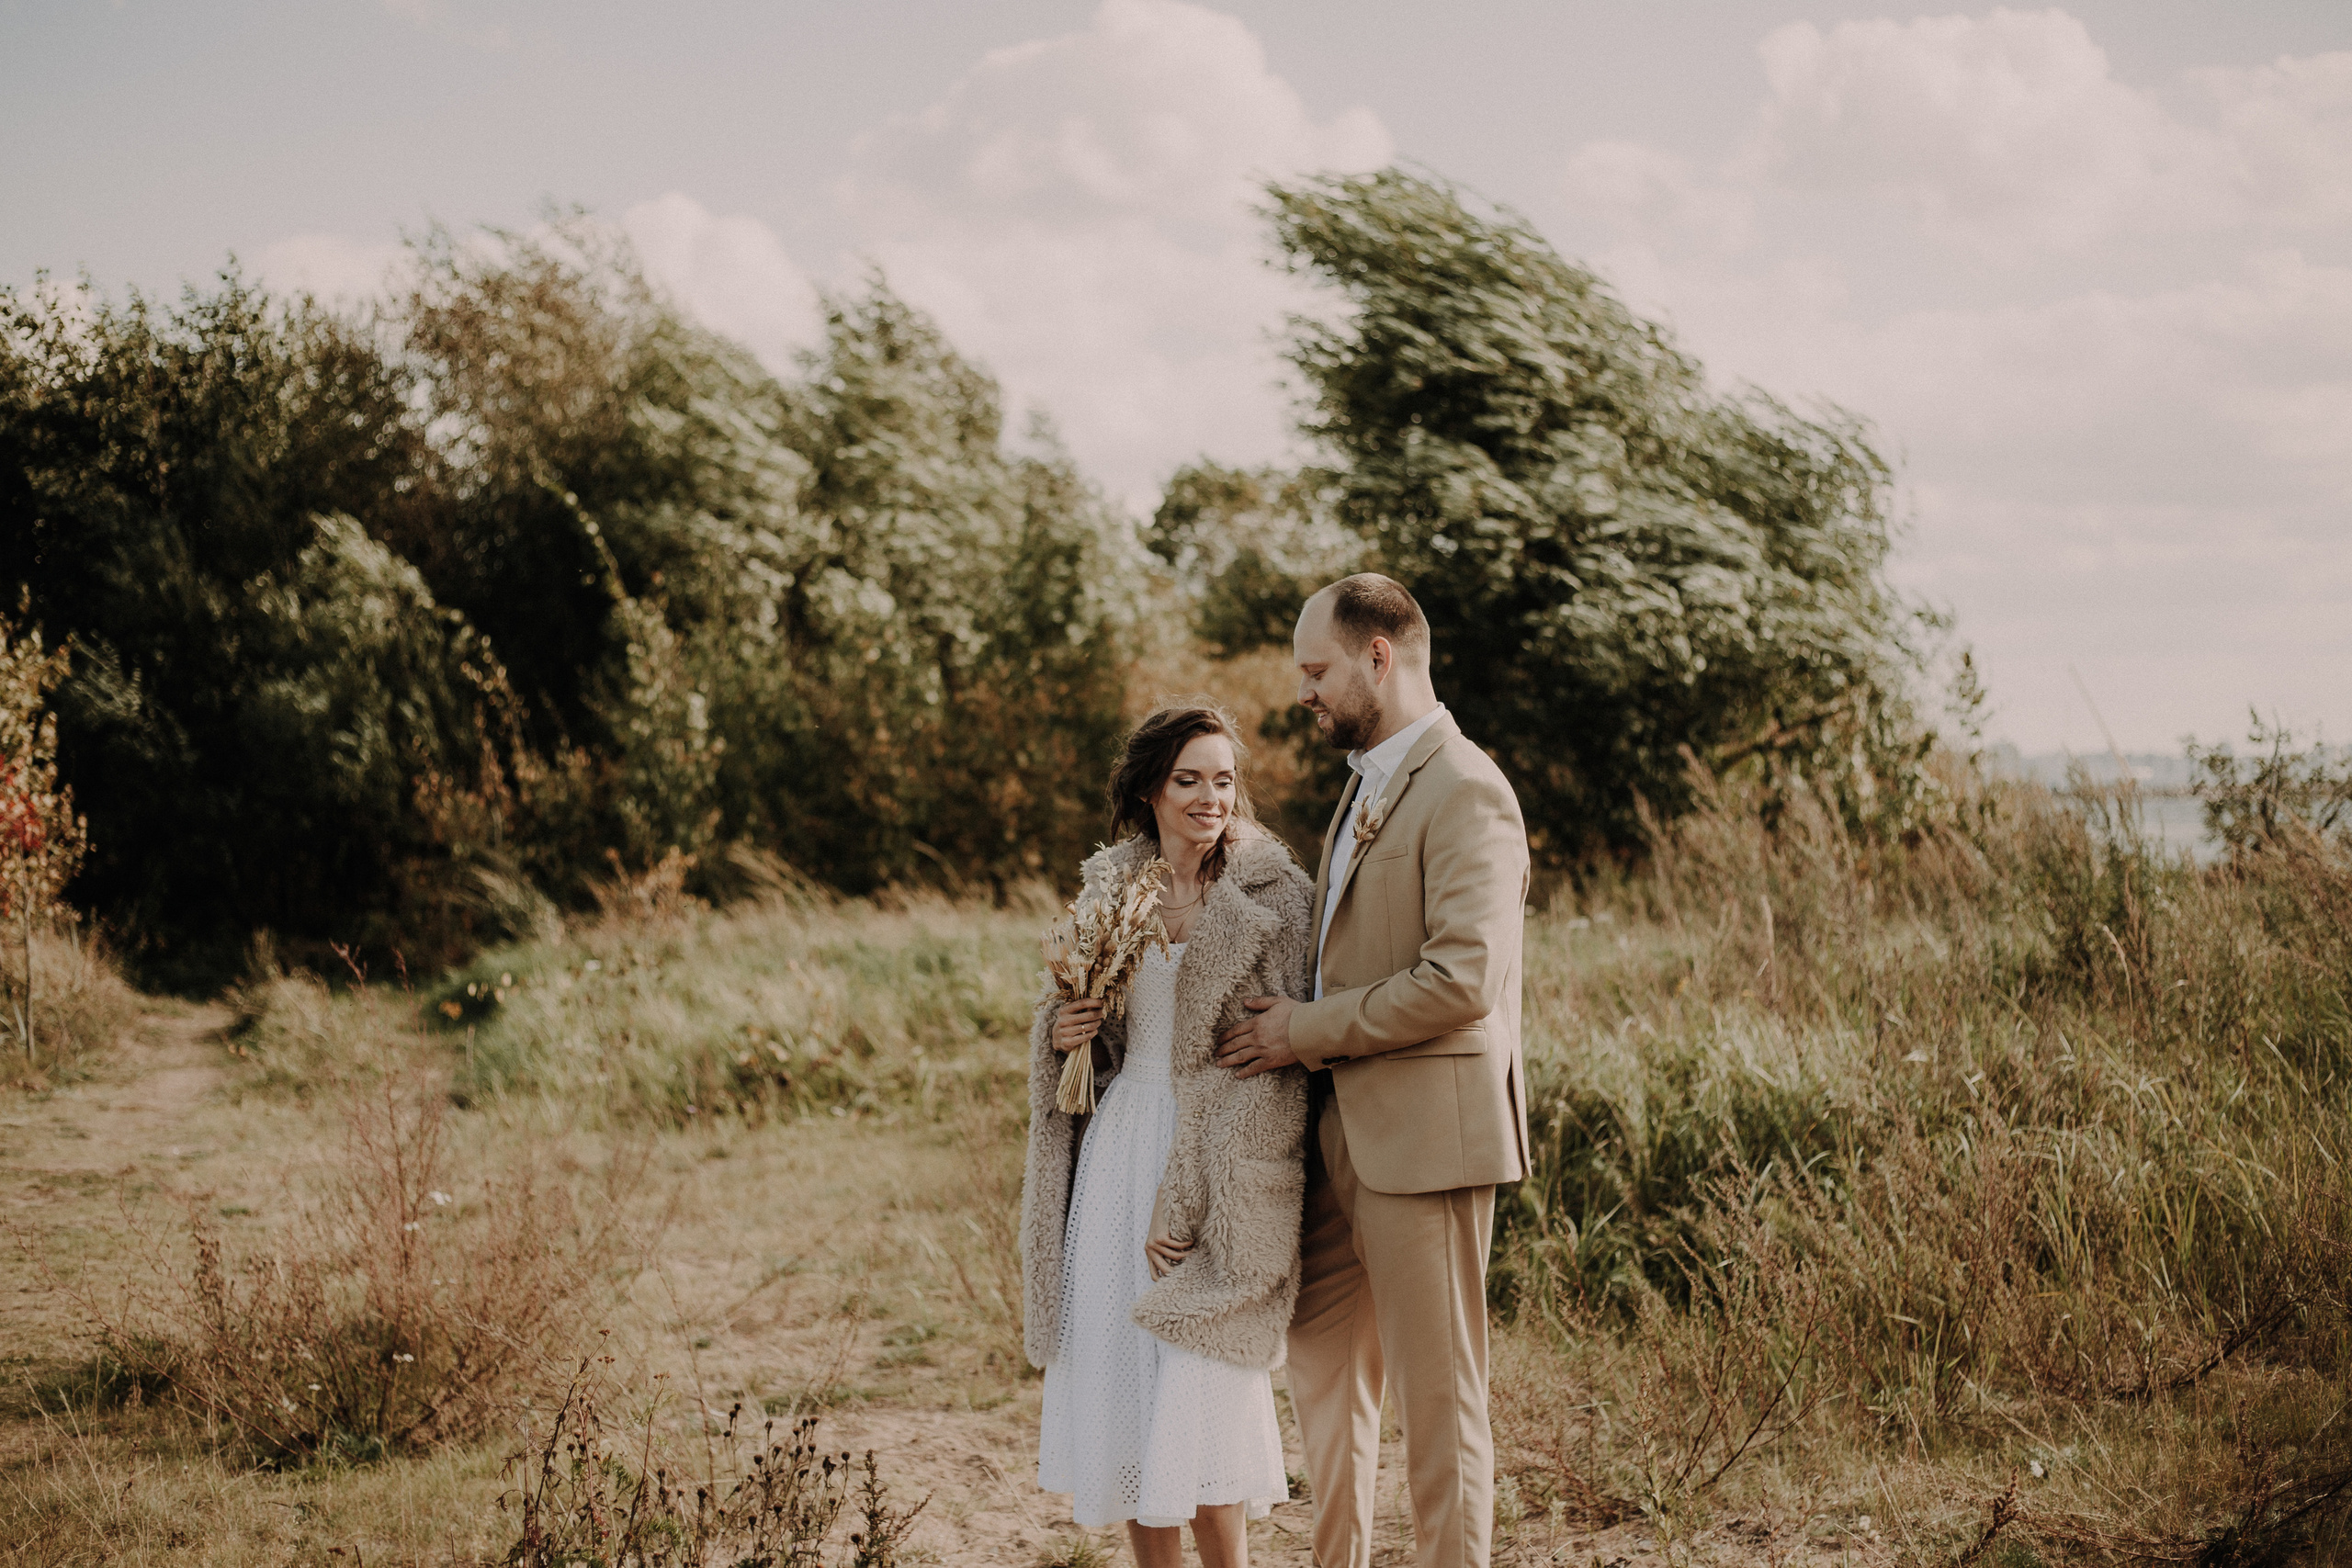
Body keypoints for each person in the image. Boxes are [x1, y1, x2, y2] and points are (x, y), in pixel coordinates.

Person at [1214, 575, 1532, 1568]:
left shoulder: (1468, 787)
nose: (1304, 692)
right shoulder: (1363, 780)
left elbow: (1462, 979)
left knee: (1440, 1409)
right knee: (1322, 1384)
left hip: (1427, 1147)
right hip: (1334, 1141)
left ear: (1377, 657)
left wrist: (1305, 1030)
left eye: (1316, 671)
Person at [1021, 701, 1317, 1568]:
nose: (1209, 796)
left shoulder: (1274, 895)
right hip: (1116, 1157)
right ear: (1151, 789)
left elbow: (1273, 1071)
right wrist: (1068, 1032)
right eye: (1189, 779)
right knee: (1123, 1398)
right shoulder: (1111, 887)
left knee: (1203, 1394)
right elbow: (1079, 1029)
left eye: (1223, 779)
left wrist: (1187, 1188)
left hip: (1218, 1162)